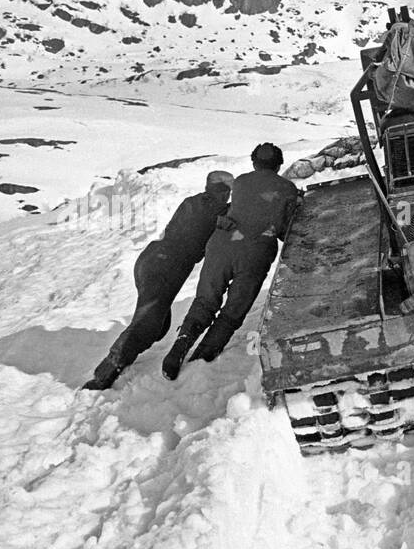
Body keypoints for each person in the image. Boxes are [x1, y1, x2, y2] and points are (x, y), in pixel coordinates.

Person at [83, 170, 235, 391]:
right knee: (147, 324)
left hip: (150, 260)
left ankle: (128, 351)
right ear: (223, 192)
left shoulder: (192, 202)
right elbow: (233, 219)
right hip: (166, 268)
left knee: (159, 325)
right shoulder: (219, 211)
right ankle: (104, 375)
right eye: (227, 192)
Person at [161, 143, 300, 380]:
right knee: (234, 308)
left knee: (206, 299)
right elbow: (286, 229)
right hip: (255, 252)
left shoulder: (241, 182)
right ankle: (203, 356)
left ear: (254, 162)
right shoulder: (288, 188)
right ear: (279, 164)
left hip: (222, 244)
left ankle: (179, 347)